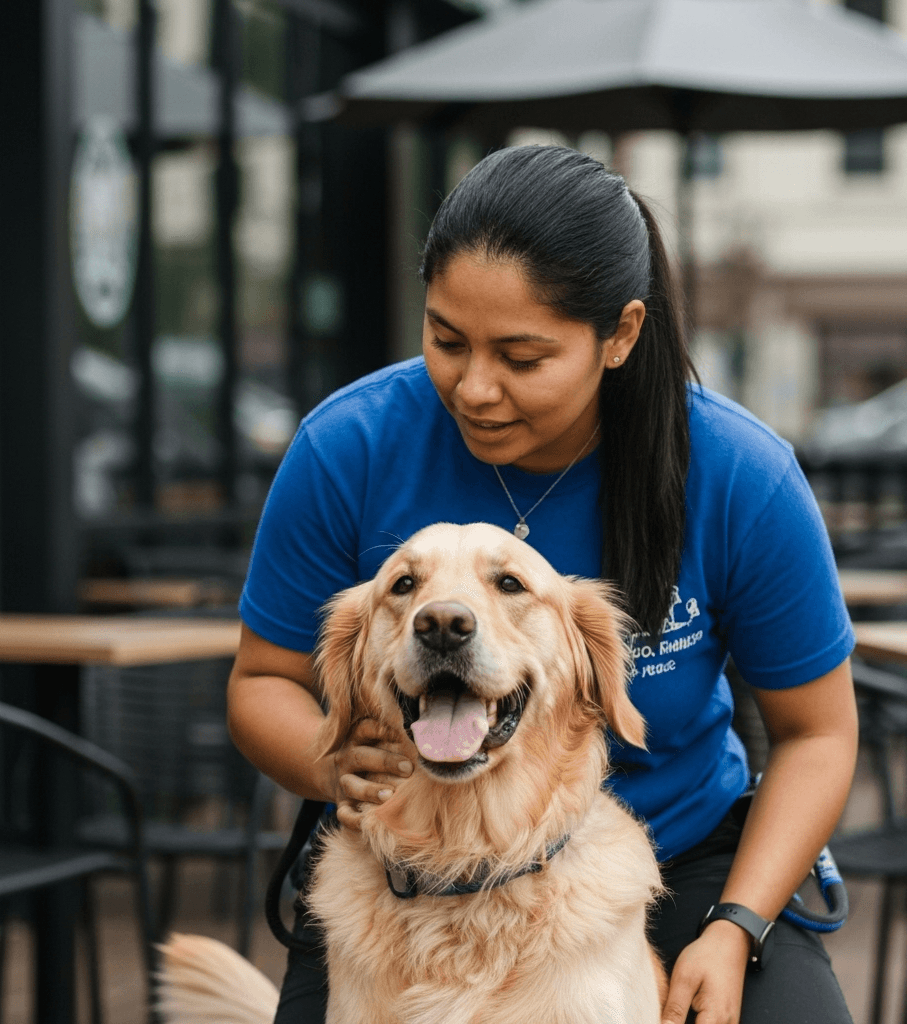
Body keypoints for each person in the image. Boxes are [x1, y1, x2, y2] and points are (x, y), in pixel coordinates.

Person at [227, 144, 859, 1024]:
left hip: (686, 854)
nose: (474, 387)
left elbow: (819, 736)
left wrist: (737, 925)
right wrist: (332, 764)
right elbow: (262, 681)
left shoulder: (740, 473)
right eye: (446, 339)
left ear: (621, 335)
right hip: (406, 868)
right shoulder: (349, 446)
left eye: (522, 357)